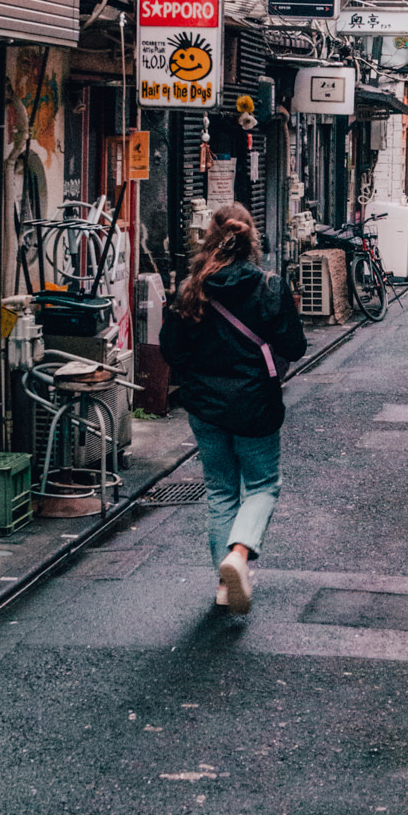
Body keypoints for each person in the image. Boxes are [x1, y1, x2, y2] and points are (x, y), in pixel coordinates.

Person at [160, 203, 307, 615]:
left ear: (210, 236)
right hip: (255, 404)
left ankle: (225, 586)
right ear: (251, 239)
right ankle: (239, 555)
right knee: (262, 485)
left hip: (205, 406)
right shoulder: (269, 286)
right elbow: (295, 346)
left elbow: (171, 350)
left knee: (221, 491)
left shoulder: (190, 287)